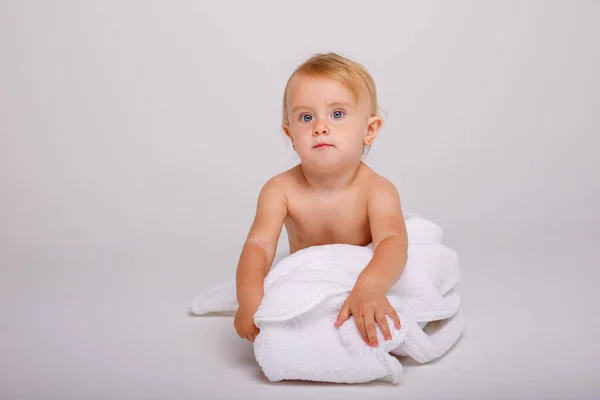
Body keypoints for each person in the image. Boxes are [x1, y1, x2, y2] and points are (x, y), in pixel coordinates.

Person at [234, 52, 408, 349]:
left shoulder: (377, 190)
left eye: (337, 114)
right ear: (291, 135)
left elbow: (392, 241)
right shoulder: (280, 190)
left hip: (359, 280)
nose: (320, 126)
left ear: (369, 130)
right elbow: (258, 246)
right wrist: (249, 297)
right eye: (306, 117)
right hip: (308, 281)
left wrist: (370, 286)